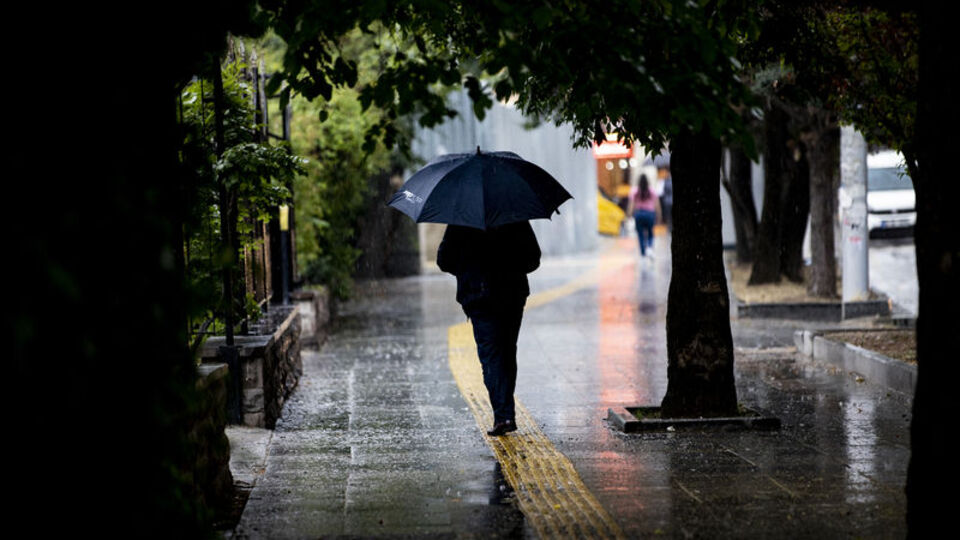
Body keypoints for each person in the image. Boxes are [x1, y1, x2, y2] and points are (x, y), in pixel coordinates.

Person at [437, 221, 541, 436]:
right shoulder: (513, 217)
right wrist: (510, 265)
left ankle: (503, 415)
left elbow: (444, 261)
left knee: (491, 354)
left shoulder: (461, 220)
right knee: (507, 351)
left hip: (479, 295)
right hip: (512, 294)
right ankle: (505, 412)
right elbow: (533, 259)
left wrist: (468, 267)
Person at [629, 175, 661, 257]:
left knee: (640, 233)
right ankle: (649, 247)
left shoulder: (635, 191)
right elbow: (657, 204)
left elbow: (632, 205)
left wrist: (630, 214)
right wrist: (659, 215)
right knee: (650, 232)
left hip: (639, 214)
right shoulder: (652, 191)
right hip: (650, 214)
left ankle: (643, 252)